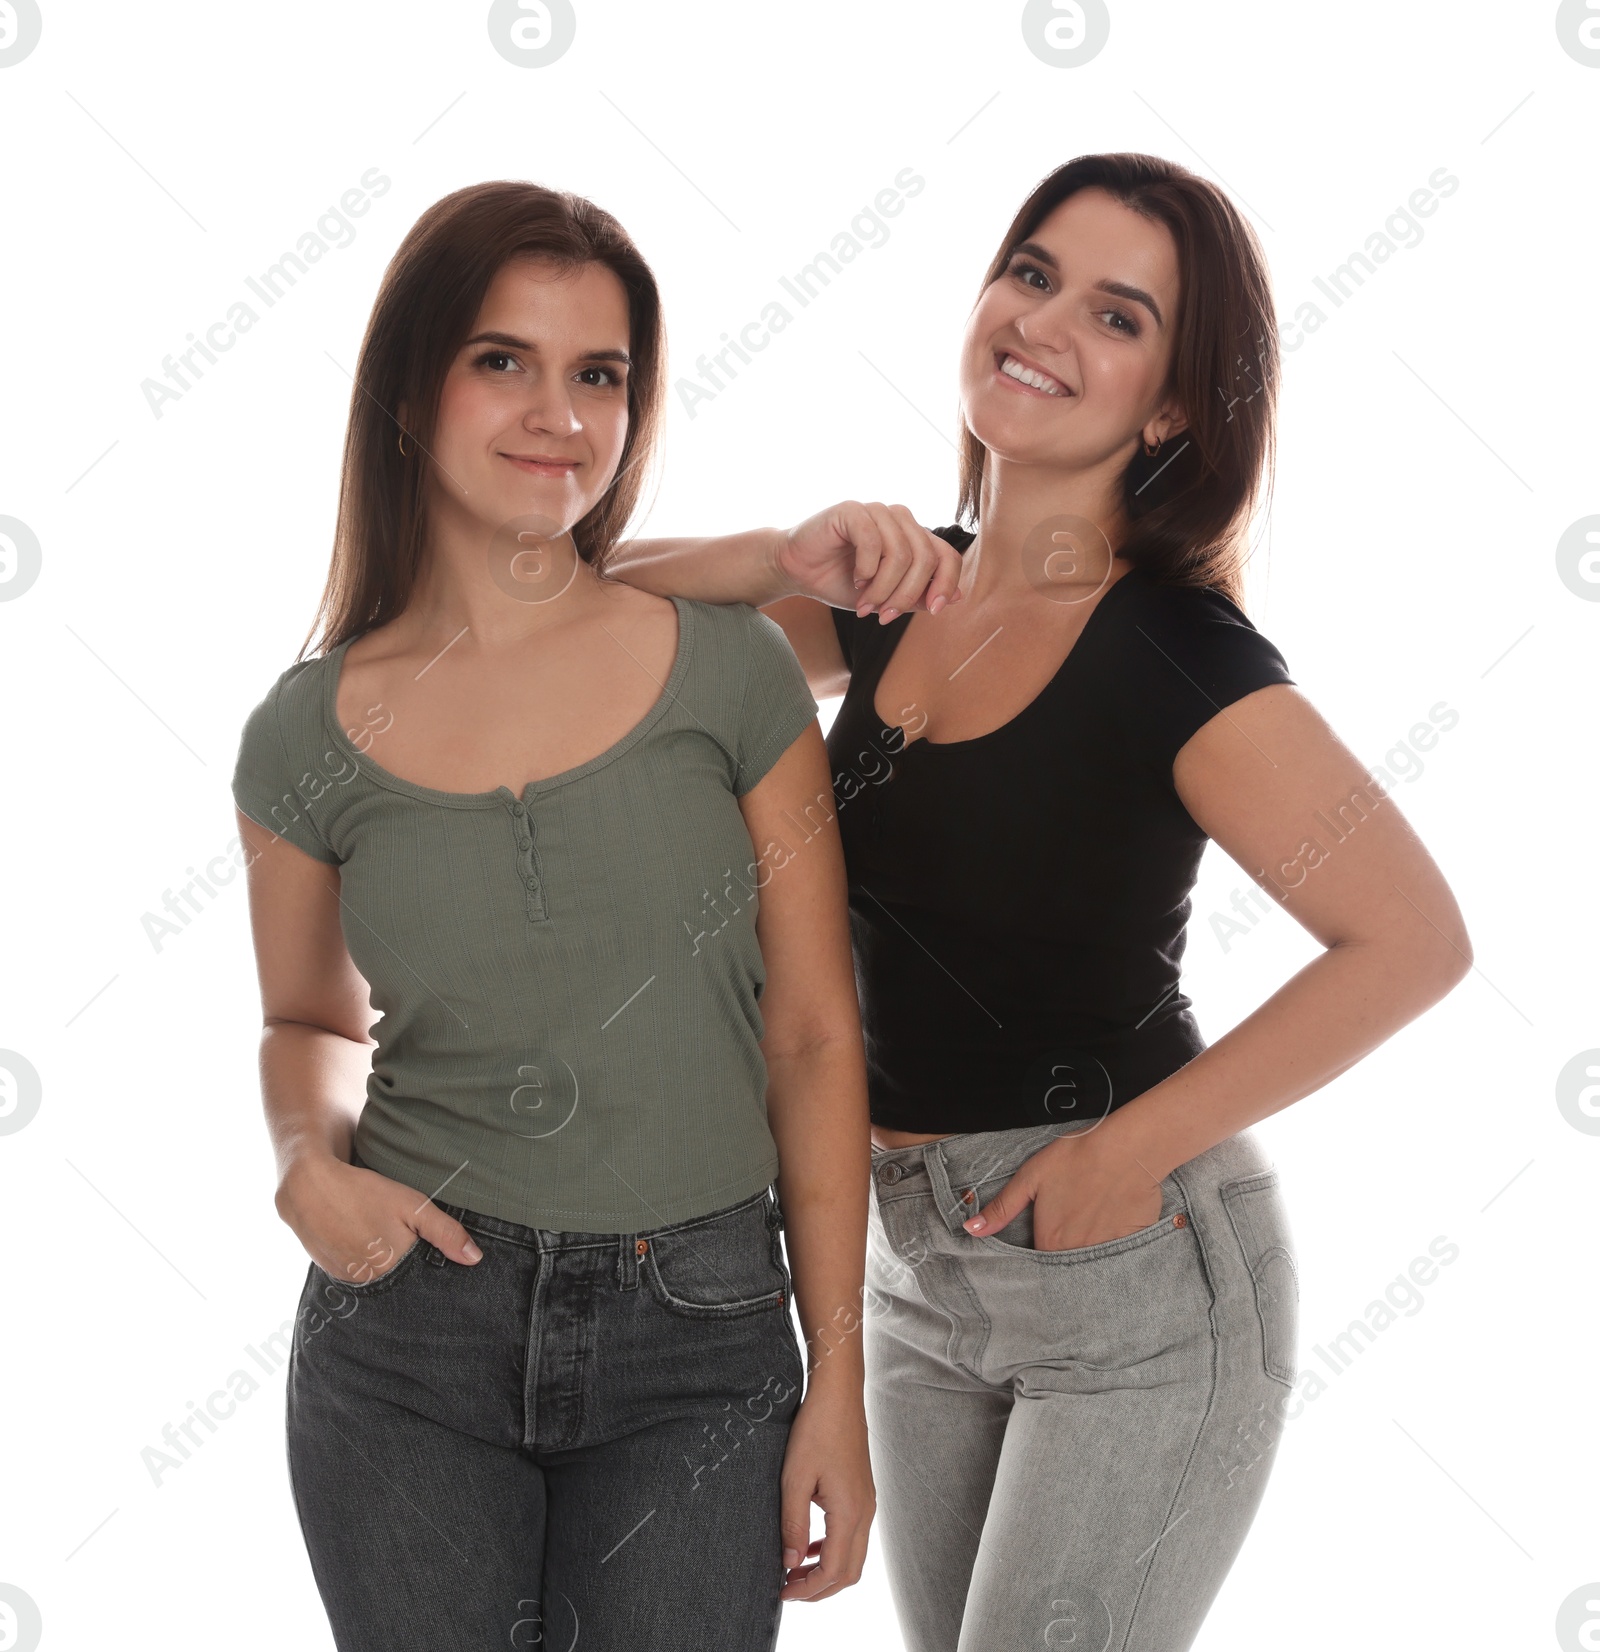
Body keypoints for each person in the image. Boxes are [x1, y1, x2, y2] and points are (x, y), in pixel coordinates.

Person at [606, 152, 1472, 1650]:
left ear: (1178, 405)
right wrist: (775, 552)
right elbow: (562, 627)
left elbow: (1412, 940)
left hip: (1131, 1274)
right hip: (915, 1268)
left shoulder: (1174, 656)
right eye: (1033, 273)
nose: (1048, 323)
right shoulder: (898, 596)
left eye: (1120, 316)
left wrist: (1128, 1151)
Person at [230, 180, 874, 1652]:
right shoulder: (302, 735)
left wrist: (835, 1376)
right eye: (501, 360)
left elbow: (817, 1034)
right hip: (406, 1330)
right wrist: (298, 1165)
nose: (559, 414)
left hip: (703, 1341)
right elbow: (304, 1017)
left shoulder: (736, 675)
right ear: (411, 390)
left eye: (601, 375)